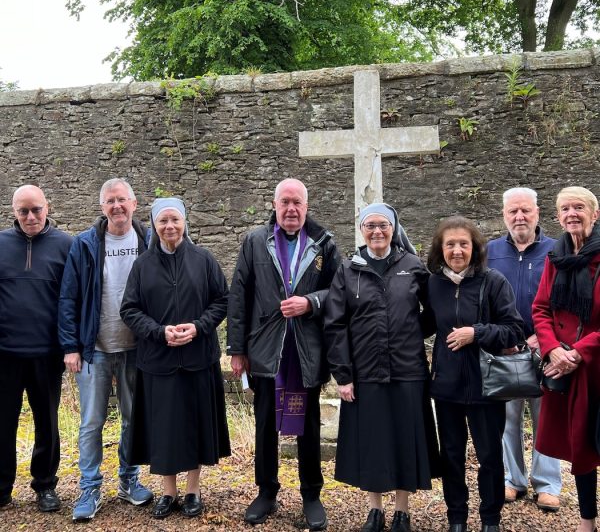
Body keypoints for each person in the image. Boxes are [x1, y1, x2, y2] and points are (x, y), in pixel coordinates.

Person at [227, 178, 340, 531]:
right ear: (275, 205)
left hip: (306, 349)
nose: (291, 209)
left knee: (308, 426)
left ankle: (311, 494)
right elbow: (239, 295)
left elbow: (338, 293)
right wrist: (236, 349)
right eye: (285, 202)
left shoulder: (324, 244)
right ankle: (266, 491)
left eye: (298, 203)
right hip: (266, 347)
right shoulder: (255, 242)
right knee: (265, 425)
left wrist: (311, 302)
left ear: (307, 207)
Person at [324, 203, 438, 532]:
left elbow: (433, 309)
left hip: (407, 370)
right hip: (365, 371)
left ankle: (402, 510)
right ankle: (374, 509)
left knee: (406, 440)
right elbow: (335, 324)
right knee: (373, 442)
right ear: (361, 230)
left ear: (394, 228)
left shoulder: (413, 266)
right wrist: (343, 375)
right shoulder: (348, 270)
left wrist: (412, 331)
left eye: (384, 225)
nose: (377, 231)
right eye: (370, 225)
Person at [120, 197, 230, 519]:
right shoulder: (142, 265)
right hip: (159, 359)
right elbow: (129, 309)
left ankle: (193, 490)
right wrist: (158, 331)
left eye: (175, 220)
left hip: (198, 357)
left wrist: (197, 327)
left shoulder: (204, 259)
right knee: (164, 428)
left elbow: (222, 300)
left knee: (196, 424)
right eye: (163, 221)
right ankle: (168, 492)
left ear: (185, 222)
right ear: (154, 225)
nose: (169, 226)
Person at [59, 178, 153, 521]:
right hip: (93, 348)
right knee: (92, 421)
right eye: (110, 201)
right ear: (102, 207)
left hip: (136, 348)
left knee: (133, 419)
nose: (117, 206)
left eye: (122, 200)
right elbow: (68, 297)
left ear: (134, 203)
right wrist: (70, 346)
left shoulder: (149, 240)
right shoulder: (84, 244)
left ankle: (129, 481)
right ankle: (89, 487)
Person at [427, 216, 524, 532]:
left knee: (489, 456)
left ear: (475, 248)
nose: (457, 250)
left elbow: (514, 329)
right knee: (452, 457)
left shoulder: (493, 281)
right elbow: (422, 323)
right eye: (450, 244)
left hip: (486, 385)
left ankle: (490, 519)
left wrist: (476, 332)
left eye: (463, 244)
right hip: (447, 387)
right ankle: (456, 518)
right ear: (441, 249)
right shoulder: (433, 283)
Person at [487, 188, 562, 511]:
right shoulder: (489, 251)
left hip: (545, 349)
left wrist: (544, 338)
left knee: (546, 418)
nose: (519, 217)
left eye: (525, 211)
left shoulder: (557, 250)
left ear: (537, 212)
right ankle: (512, 480)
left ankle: (547, 484)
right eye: (513, 211)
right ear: (504, 214)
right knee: (508, 418)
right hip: (505, 350)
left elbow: (566, 299)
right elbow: (484, 298)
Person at [0, 185, 72, 512]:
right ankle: (1, 488)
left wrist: (71, 345)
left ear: (48, 207)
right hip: (5, 354)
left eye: (36, 210)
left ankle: (45, 486)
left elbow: (73, 299)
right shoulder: (0, 244)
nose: (30, 217)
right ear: (13, 211)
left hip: (47, 353)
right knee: (3, 423)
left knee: (47, 423)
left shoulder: (66, 246)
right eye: (23, 211)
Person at [532, 186, 600, 532]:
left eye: (579, 208)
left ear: (595, 214)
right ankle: (587, 522)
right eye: (565, 209)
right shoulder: (555, 258)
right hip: (567, 370)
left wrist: (579, 351)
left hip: (596, 368)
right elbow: (541, 308)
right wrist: (553, 348)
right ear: (557, 216)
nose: (571, 214)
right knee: (582, 450)